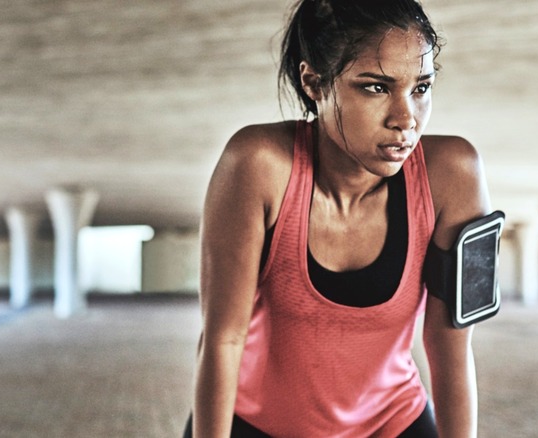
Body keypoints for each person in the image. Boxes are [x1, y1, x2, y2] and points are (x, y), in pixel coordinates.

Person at [188, 0, 492, 436]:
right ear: (314, 82)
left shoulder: (453, 175)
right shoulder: (257, 165)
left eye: (421, 87)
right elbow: (223, 341)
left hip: (393, 422)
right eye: (375, 88)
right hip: (257, 424)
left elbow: (450, 347)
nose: (406, 119)